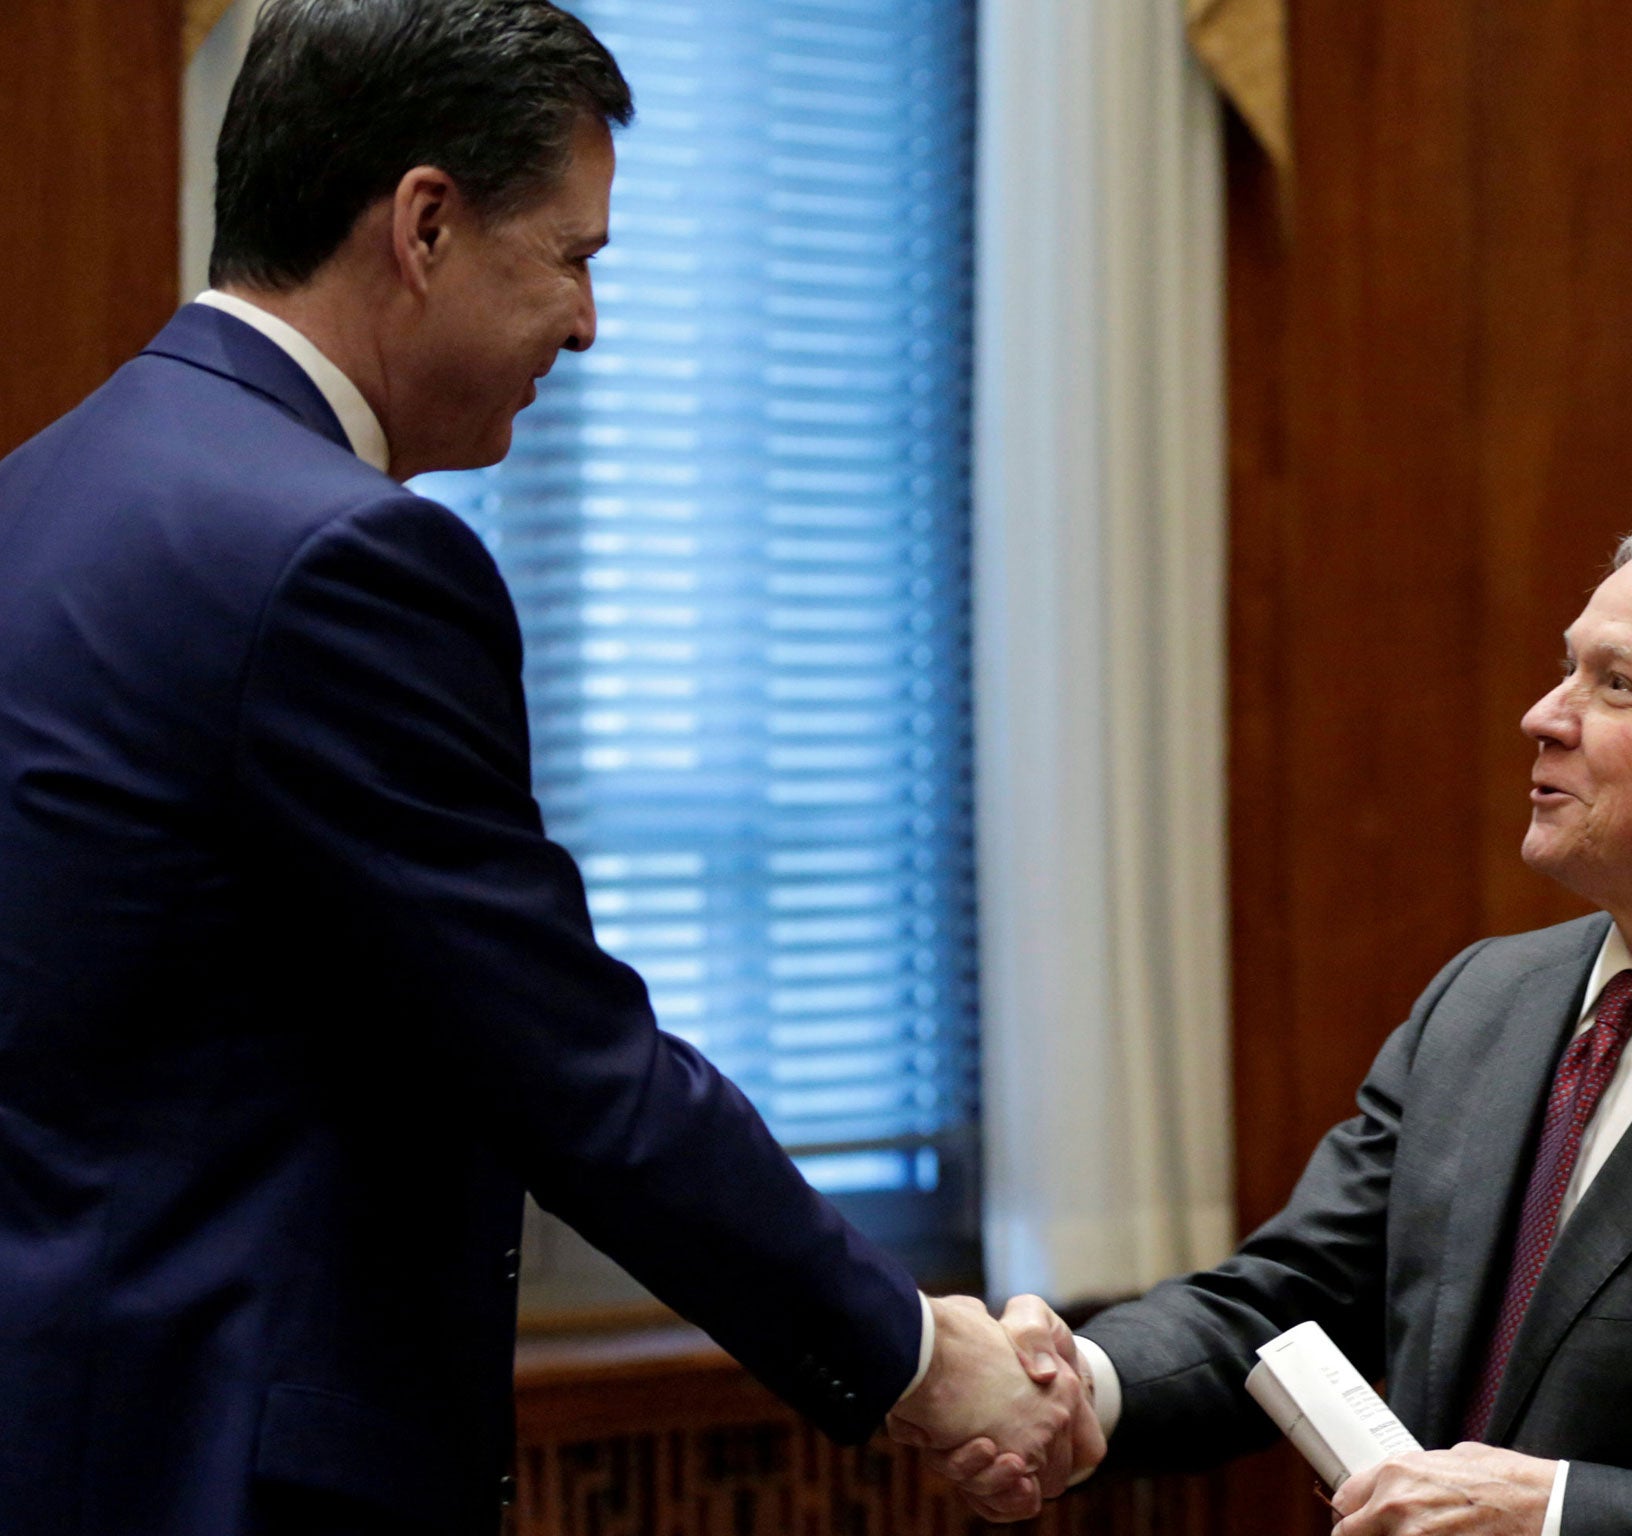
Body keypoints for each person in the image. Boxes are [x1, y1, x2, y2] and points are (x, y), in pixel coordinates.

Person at [0, 3, 1089, 1532]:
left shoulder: (39, 492)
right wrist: (917, 1357)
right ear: (426, 223)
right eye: (573, 257)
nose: (588, 324)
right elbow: (562, 1061)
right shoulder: (337, 559)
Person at [943, 516, 1632, 1534]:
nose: (1542, 714)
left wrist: (1559, 1514)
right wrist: (1073, 1385)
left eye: (1614, 685)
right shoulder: (1485, 1001)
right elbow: (1290, 1301)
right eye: (1567, 666)